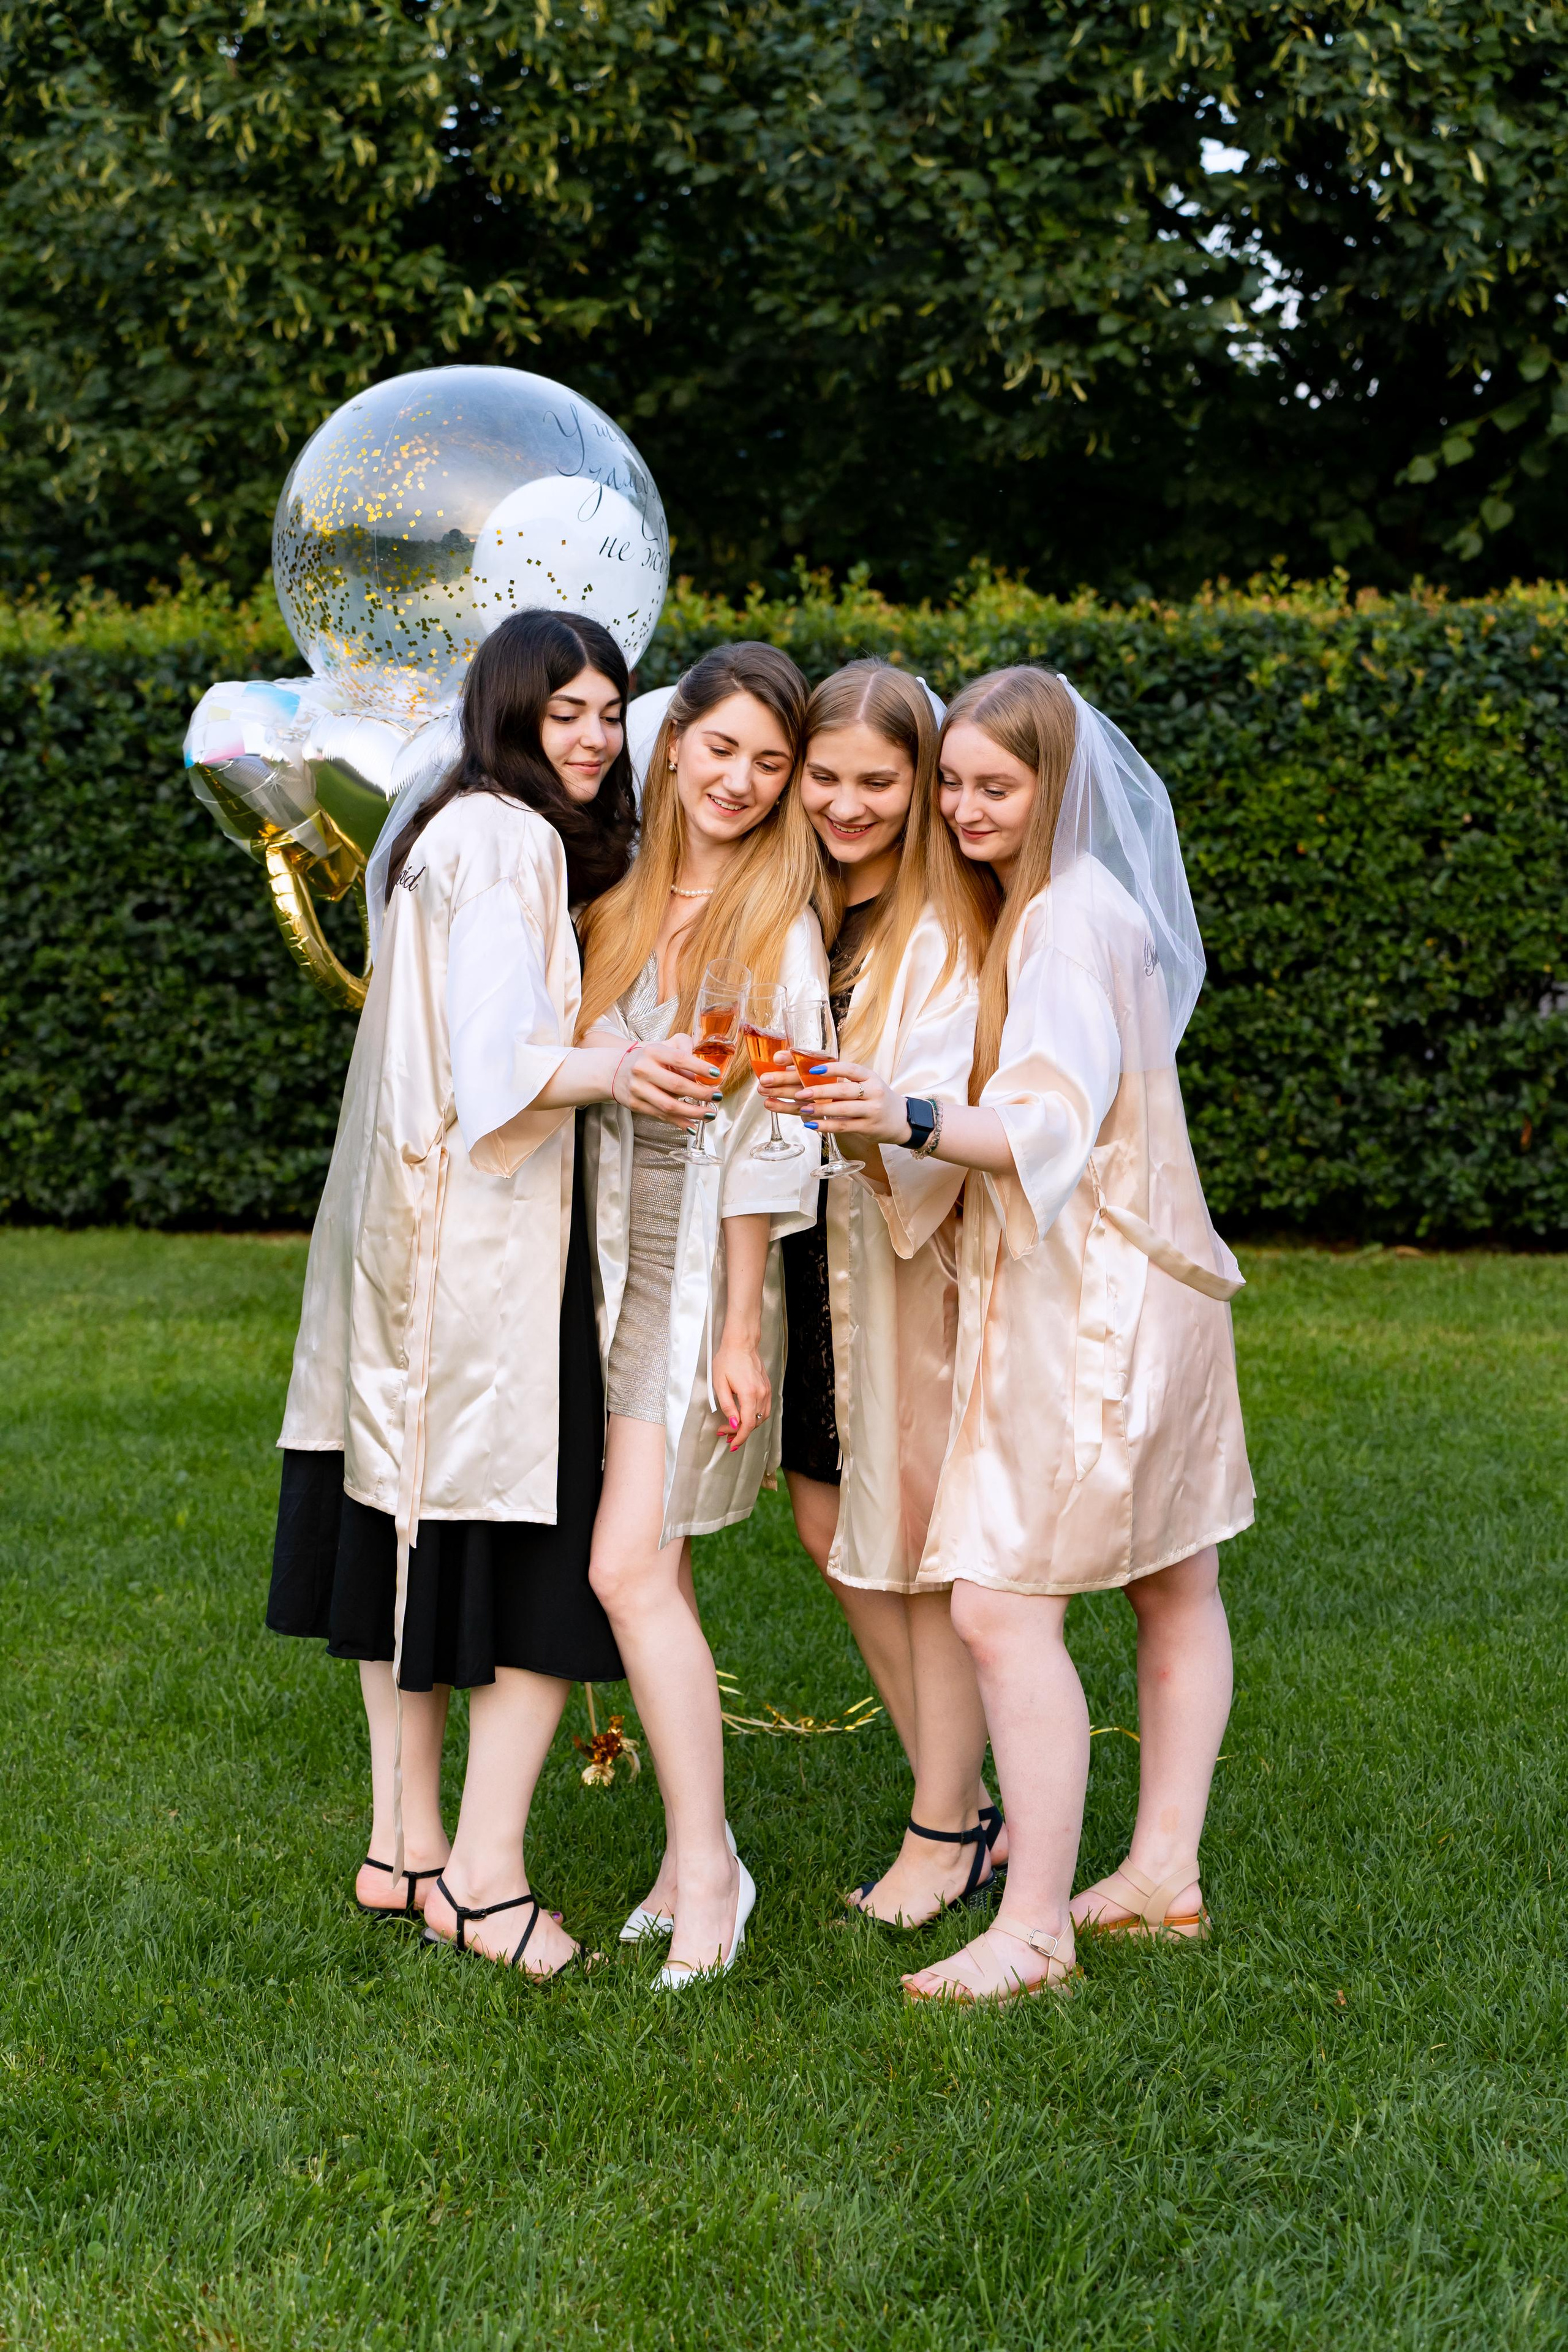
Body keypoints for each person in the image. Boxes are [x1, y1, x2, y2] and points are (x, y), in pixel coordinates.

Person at [266, 610, 715, 1981]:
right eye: (561, 712)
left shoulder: (438, 830)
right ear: (503, 711)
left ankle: (402, 1849)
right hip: (485, 1262)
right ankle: (487, 1879)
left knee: (391, 1534)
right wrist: (621, 1071)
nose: (589, 738)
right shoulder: (509, 840)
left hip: (403, 1253)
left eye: (604, 712)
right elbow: (494, 1064)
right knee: (532, 1557)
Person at [801, 664, 1254, 2004]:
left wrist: (903, 1115)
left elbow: (1047, 1126)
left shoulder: (1060, 923)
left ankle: (1035, 1925)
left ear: (1056, 786)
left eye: (993, 786)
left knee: (1000, 1606)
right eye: (951, 783)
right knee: (1173, 1583)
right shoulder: (1071, 910)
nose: (962, 807)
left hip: (1092, 1301)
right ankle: (1160, 1873)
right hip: (1155, 1281)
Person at [575, 641, 827, 1988]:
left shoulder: (774, 922)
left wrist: (742, 1325)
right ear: (674, 745)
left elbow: (780, 1137)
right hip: (600, 1254)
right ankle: (687, 1859)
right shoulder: (612, 885)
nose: (738, 780)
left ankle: (714, 1874)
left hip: (697, 1276)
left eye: (768, 765)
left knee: (626, 1567)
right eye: (720, 748)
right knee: (649, 1570)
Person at [757, 661, 1002, 1924]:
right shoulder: (794, 903)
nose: (845, 805)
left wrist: (863, 1118)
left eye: (876, 782)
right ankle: (965, 1805)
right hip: (805, 1255)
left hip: (902, 1268)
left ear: (916, 790)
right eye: (826, 777)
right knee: (826, 1531)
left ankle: (941, 1830)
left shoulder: (940, 927)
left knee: (915, 1557)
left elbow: (942, 1132)